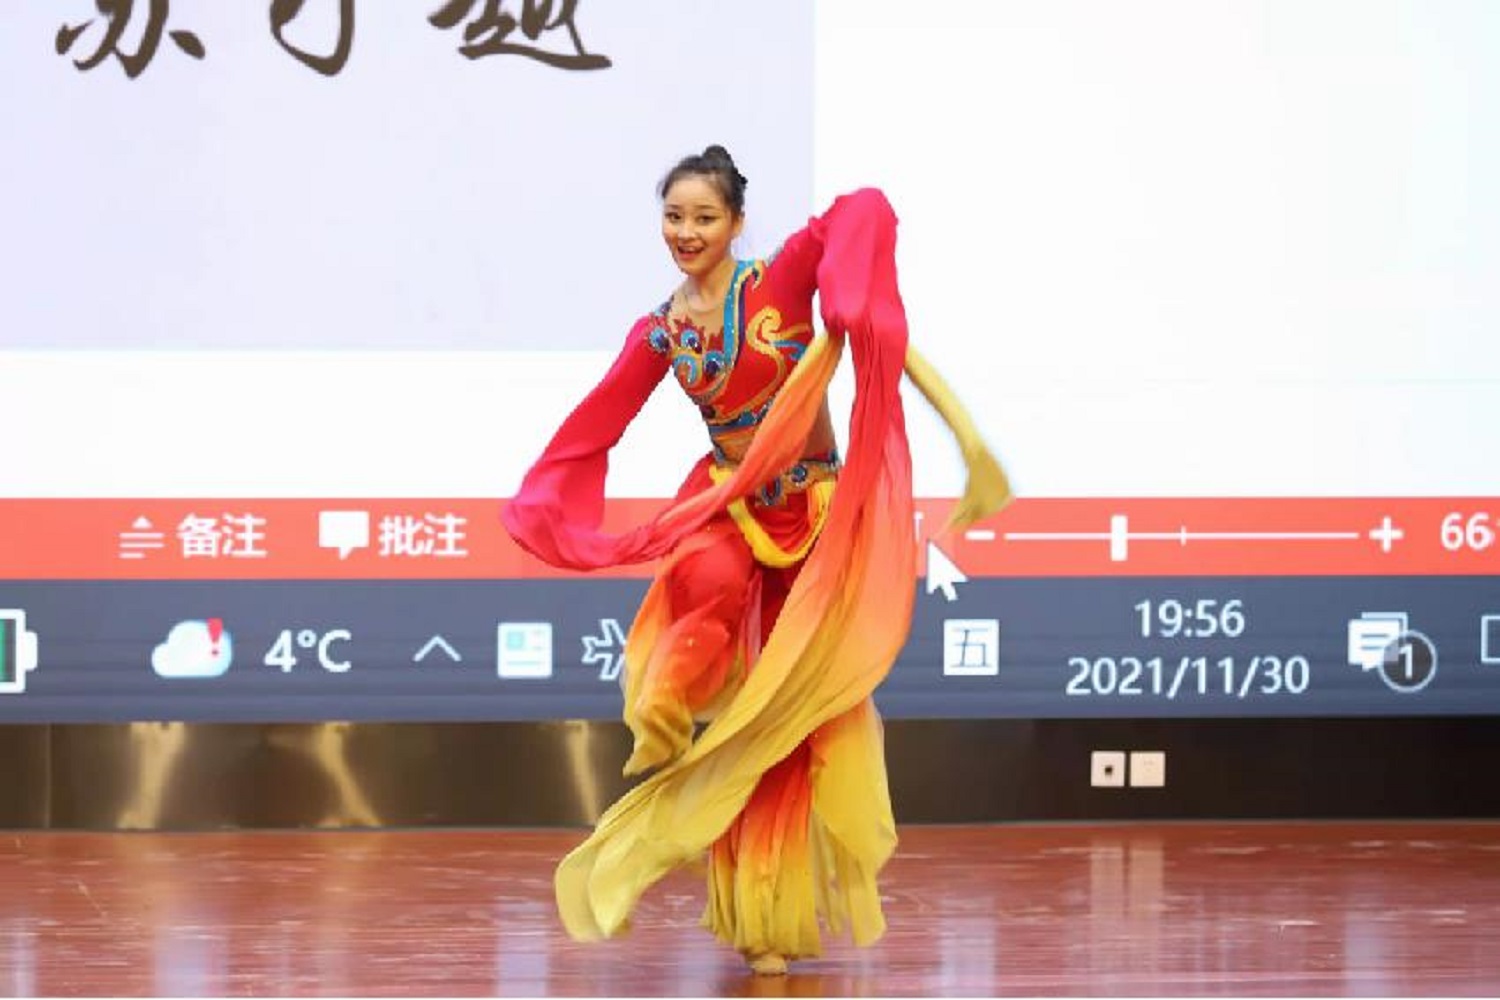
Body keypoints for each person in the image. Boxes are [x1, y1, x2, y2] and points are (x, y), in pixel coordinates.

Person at [501, 145, 1010, 975]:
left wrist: (845, 296)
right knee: (704, 584)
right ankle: (665, 710)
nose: (687, 232)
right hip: (732, 505)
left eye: (704, 217)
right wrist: (544, 503)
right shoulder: (662, 331)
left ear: (736, 222)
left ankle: (770, 915)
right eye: (674, 217)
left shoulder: (777, 280)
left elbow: (862, 207)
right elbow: (599, 420)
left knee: (784, 722)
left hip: (812, 513)